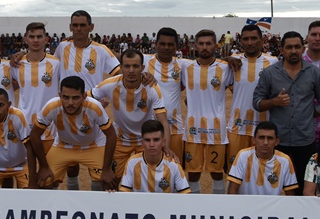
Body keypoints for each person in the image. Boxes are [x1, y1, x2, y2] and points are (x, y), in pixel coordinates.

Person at [253, 31, 320, 194]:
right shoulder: (270, 73)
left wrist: (309, 114)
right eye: (289, 47)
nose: (294, 51)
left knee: (305, 184)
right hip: (277, 139)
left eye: (297, 47)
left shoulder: (314, 73)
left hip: (304, 139)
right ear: (281, 50)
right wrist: (274, 102)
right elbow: (257, 102)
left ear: (303, 49)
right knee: (271, 183)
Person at [54, 10, 122, 190]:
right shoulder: (62, 48)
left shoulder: (101, 50)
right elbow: (49, 64)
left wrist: (103, 94)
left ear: (91, 27)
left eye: (82, 25)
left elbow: (119, 75)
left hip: (93, 111)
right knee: (71, 164)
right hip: (66, 110)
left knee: (98, 170)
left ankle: (94, 207)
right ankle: (73, 197)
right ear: (70, 27)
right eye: (75, 25)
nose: (78, 29)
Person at [92, 49, 170, 179]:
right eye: (127, 66)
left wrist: (166, 148)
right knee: (115, 179)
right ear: (121, 67)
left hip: (145, 140)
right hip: (121, 140)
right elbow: (87, 97)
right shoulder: (110, 84)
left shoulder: (152, 88)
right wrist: (97, 105)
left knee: (149, 179)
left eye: (135, 66)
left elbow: (163, 122)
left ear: (143, 68)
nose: (131, 70)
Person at [29, 76, 118, 191]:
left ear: (84, 96)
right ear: (60, 95)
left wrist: (106, 169)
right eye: (66, 97)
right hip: (63, 145)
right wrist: (44, 166)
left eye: (75, 98)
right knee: (44, 181)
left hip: (93, 145)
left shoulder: (94, 107)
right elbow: (34, 135)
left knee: (107, 182)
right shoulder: (51, 107)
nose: (70, 103)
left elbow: (111, 135)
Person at [182, 29, 234, 194]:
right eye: (201, 44)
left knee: (217, 171)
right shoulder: (186, 67)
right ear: (195, 45)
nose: (205, 47)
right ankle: (195, 207)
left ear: (215, 46)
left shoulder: (226, 68)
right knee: (193, 171)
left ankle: (217, 206)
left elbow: (237, 90)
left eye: (208, 43)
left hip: (216, 129)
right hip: (192, 128)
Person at [226, 24, 278, 169]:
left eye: (254, 38)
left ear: (262, 41)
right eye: (246, 39)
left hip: (263, 128)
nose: (250, 42)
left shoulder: (273, 62)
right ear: (240, 41)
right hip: (238, 127)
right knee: (236, 170)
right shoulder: (232, 62)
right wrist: (227, 57)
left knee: (263, 169)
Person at [16, 22, 62, 156]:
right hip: (24, 124)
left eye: (39, 36)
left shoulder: (56, 63)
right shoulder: (16, 64)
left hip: (49, 125)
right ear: (25, 39)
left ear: (46, 39)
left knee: (48, 171)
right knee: (25, 170)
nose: (35, 40)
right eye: (31, 37)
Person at [143, 27, 189, 161]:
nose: (166, 47)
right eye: (162, 44)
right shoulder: (144, 62)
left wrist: (229, 58)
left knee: (174, 165)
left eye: (170, 44)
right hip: (149, 125)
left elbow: (206, 64)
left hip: (175, 127)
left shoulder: (183, 65)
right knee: (149, 166)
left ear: (176, 47)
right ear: (155, 44)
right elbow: (119, 59)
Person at [227, 121, 297, 196]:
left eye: (270, 138)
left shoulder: (285, 160)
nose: (265, 142)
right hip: (245, 206)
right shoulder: (243, 156)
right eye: (261, 138)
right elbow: (232, 190)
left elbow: (290, 194)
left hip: (272, 207)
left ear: (276, 142)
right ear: (254, 140)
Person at [119, 120, 190, 194]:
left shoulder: (173, 165)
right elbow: (123, 193)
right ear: (142, 142)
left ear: (163, 142)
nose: (152, 144)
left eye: (156, 140)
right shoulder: (132, 163)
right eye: (147, 140)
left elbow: (186, 195)